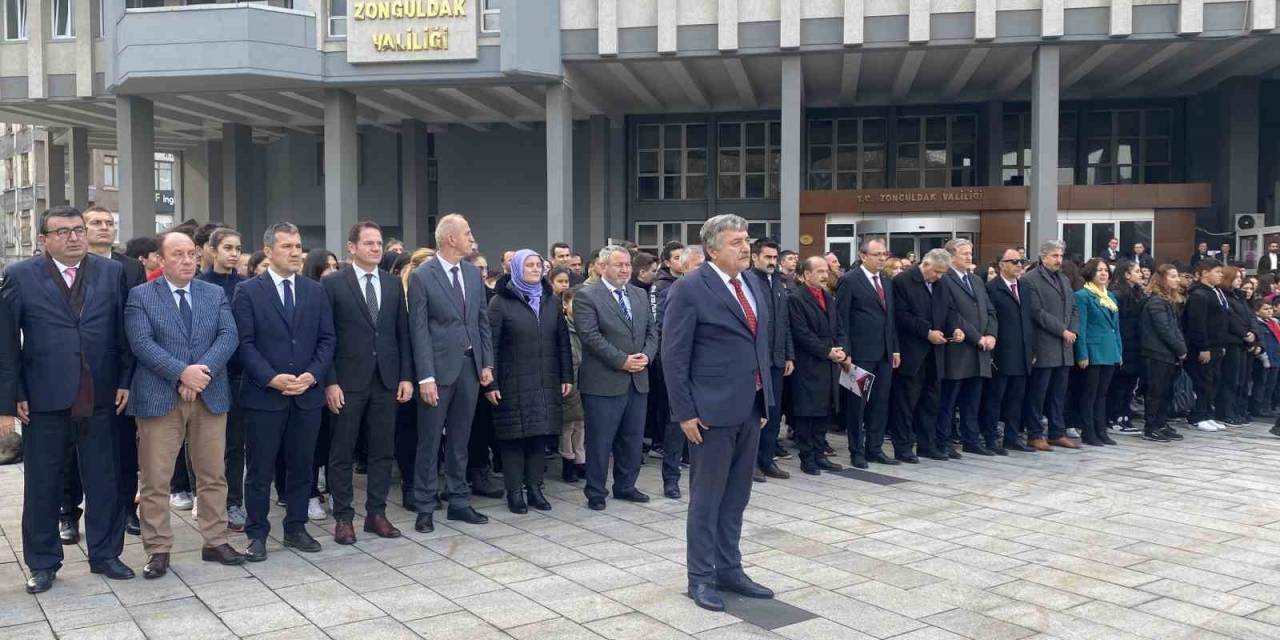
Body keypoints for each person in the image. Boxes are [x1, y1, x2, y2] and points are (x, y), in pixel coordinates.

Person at [3, 206, 135, 593]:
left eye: (78, 230)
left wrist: (126, 380)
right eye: (62, 232)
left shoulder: (111, 273)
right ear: (43, 240)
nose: (74, 237)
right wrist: (12, 398)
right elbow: (6, 344)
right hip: (44, 398)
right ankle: (43, 563)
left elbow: (122, 334)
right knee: (43, 483)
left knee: (104, 479)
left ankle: (106, 554)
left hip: (101, 394)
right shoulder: (19, 276)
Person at [662, 214, 775, 613]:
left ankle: (730, 569)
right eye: (736, 242)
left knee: (737, 497)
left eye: (746, 240)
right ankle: (701, 578)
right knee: (707, 500)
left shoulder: (754, 283)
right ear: (712, 249)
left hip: (749, 408)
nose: (745, 247)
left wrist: (765, 400)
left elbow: (760, 342)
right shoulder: (690, 288)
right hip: (709, 412)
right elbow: (674, 356)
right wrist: (684, 413)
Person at [125, 231, 245, 579]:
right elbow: (142, 343)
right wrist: (181, 374)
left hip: (209, 394)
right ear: (160, 260)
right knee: (155, 478)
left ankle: (215, 540)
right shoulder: (141, 296)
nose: (187, 260)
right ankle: (158, 548)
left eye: (191, 254)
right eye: (177, 255)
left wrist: (200, 374)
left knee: (212, 473)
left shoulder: (214, 293)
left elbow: (228, 335)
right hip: (160, 397)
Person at [234, 222, 336, 561]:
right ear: (268, 251)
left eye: (298, 246)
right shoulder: (248, 292)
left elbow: (326, 339)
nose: (296, 252)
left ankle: (296, 527)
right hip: (266, 396)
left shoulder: (314, 290)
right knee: (260, 468)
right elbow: (244, 344)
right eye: (287, 246)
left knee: (302, 466)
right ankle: (257, 533)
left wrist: (312, 375)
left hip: (306, 395)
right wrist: (271, 378)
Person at [321, 222, 412, 545]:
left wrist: (405, 376)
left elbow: (401, 333)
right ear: (352, 247)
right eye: (369, 243)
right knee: (342, 451)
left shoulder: (391, 284)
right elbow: (326, 337)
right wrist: (329, 382)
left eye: (379, 243)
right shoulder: (333, 284)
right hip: (347, 382)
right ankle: (344, 518)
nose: (376, 248)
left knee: (382, 451)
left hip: (386, 380)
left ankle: (377, 513)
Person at [408, 214, 494, 532]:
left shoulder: (472, 274)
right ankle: (425, 506)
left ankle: (458, 500)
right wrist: (425, 376)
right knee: (429, 442)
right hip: (438, 373)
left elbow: (480, 321)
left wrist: (486, 364)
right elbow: (418, 330)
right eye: (467, 232)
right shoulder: (423, 276)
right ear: (450, 239)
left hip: (470, 369)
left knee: (461, 439)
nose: (472, 237)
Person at [76, 206, 147, 542]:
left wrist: (128, 376)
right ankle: (68, 510)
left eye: (109, 223)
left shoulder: (131, 267)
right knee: (70, 448)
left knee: (123, 447)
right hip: (74, 372)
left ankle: (126, 508)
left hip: (118, 371)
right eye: (96, 223)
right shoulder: (70, 266)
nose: (104, 228)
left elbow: (134, 322)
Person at [485, 250, 573, 514]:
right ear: (516, 269)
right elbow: (492, 345)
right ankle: (514, 492)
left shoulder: (549, 300)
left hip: (545, 379)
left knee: (538, 437)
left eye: (539, 265)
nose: (536, 270)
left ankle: (535, 489)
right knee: (514, 439)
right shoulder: (500, 302)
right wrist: (491, 383)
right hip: (512, 382)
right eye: (530, 265)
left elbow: (563, 343)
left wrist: (566, 375)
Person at [573, 245, 659, 510]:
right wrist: (622, 361)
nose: (624, 270)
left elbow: (651, 330)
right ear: (602, 267)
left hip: (637, 379)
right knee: (600, 441)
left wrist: (646, 356)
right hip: (604, 382)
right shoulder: (587, 296)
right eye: (618, 265)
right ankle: (596, 491)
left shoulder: (638, 294)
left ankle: (626, 486)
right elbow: (590, 336)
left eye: (627, 265)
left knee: (632, 438)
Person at [196, 227, 248, 531]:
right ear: (212, 250)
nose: (234, 253)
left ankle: (233, 503)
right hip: (208, 373)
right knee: (205, 444)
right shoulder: (199, 285)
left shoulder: (246, 285)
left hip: (240, 373)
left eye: (238, 248)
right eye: (227, 247)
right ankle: (207, 499)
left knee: (235, 444)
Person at [835, 238, 900, 468]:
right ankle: (856, 450)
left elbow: (890, 318)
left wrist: (895, 349)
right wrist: (846, 352)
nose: (883, 258)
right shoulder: (850, 281)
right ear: (863, 256)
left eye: (885, 254)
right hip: (860, 353)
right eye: (877, 254)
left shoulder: (886, 281)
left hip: (883, 352)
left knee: (880, 403)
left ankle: (875, 448)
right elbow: (841, 319)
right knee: (857, 405)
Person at [890, 249, 959, 462]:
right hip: (913, 352)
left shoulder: (943, 283)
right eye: (937, 272)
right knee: (906, 402)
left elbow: (949, 310)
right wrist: (927, 332)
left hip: (936, 352)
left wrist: (954, 328)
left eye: (942, 273)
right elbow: (901, 316)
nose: (938, 277)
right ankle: (903, 447)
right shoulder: (903, 281)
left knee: (931, 401)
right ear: (926, 264)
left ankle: (927, 444)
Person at [936, 239, 999, 456]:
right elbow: (953, 314)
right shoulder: (944, 279)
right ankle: (943, 441)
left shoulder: (976, 280)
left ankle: (971, 439)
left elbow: (990, 310)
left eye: (970, 253)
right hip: (959, 349)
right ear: (951, 256)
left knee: (973, 398)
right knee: (949, 399)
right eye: (964, 253)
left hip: (980, 351)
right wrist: (977, 337)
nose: (969, 257)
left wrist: (991, 334)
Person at [1021, 240, 1082, 450]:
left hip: (1065, 346)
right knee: (1039, 393)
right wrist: (1062, 330)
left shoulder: (1063, 278)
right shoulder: (1030, 279)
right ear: (1043, 257)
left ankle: (1057, 431)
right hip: (1045, 344)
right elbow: (1037, 312)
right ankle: (1035, 433)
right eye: (1055, 256)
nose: (1059, 260)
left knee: (1059, 393)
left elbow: (1073, 307)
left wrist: (1073, 330)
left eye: (1061, 256)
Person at [788, 256, 846, 475]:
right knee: (807, 413)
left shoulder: (828, 297)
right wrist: (827, 351)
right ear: (805, 275)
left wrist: (842, 349)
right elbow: (802, 333)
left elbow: (839, 327)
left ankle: (820, 453)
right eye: (819, 271)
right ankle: (807, 457)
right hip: (809, 365)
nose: (825, 275)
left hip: (830, 365)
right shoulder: (796, 298)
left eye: (826, 271)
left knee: (824, 411)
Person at [747, 240, 794, 482]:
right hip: (756, 360)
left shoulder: (778, 282)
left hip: (776, 359)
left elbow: (784, 322)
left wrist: (788, 355)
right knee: (757, 413)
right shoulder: (747, 281)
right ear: (755, 257)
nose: (772, 262)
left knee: (774, 413)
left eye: (775, 258)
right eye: (767, 257)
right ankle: (751, 461)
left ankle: (767, 459)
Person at [982, 249, 1036, 453]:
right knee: (995, 398)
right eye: (1014, 261)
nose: (1019, 265)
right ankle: (990, 437)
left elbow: (1029, 320)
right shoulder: (991, 288)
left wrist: (1032, 349)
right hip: (1002, 353)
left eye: (1021, 261)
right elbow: (989, 319)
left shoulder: (1024, 287)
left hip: (1023, 352)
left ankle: (1012, 437)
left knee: (1017, 398)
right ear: (1001, 265)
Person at [394, 247, 435, 510]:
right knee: (408, 432)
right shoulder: (401, 295)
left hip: (434, 369)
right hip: (406, 372)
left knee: (430, 433)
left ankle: (428, 484)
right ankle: (410, 485)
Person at [1072, 259, 1122, 447]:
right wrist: (1082, 354)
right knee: (1090, 394)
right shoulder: (1083, 295)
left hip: (1109, 350)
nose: (1103, 273)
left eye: (1106, 270)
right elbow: (1081, 327)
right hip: (1093, 351)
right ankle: (1088, 431)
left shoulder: (1110, 297)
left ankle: (1101, 430)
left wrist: (1119, 351)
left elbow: (1115, 328)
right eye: (1099, 270)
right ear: (1090, 273)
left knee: (1103, 394)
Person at [1142, 265, 1188, 442]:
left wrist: (1180, 349)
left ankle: (1161, 422)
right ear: (1162, 279)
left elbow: (1175, 328)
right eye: (1173, 276)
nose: (1177, 280)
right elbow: (1165, 329)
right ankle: (1151, 426)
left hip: (1168, 354)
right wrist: (1180, 349)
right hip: (1156, 353)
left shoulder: (1169, 301)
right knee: (1156, 391)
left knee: (1167, 391)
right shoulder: (1156, 302)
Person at [1183, 258, 1229, 432]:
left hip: (1217, 344)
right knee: (1202, 381)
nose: (1220, 275)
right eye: (1217, 272)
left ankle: (1208, 413)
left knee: (1213, 381)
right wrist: (1203, 347)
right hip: (1203, 347)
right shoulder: (1198, 294)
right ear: (1204, 273)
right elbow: (1197, 324)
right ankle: (1197, 416)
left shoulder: (1215, 292)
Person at [1104, 261, 1145, 434]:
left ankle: (1124, 415)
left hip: (1135, 345)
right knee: (1118, 384)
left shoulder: (1137, 293)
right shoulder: (1117, 294)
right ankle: (1114, 417)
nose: (1141, 274)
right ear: (1127, 274)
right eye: (1136, 271)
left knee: (1129, 384)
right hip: (1123, 345)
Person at [1218, 266, 1256, 426]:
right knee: (1230, 379)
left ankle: (1237, 410)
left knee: (1241, 379)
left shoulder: (1240, 297)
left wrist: (1254, 334)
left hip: (1244, 343)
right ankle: (1225, 412)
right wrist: (1245, 334)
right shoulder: (1225, 297)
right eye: (1237, 277)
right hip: (1233, 341)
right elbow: (1231, 319)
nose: (1240, 280)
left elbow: (1251, 317)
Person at [560, 285, 587, 483]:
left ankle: (581, 459)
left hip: (587, 379)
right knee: (567, 424)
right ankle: (567, 460)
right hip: (570, 380)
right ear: (565, 304)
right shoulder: (562, 327)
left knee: (582, 424)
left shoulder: (588, 325)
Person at [1253, 299, 1280, 420]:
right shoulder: (1258, 324)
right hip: (1265, 358)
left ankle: (1267, 406)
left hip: (1276, 357)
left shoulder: (1274, 323)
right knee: (1261, 383)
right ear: (1257, 311)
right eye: (1265, 309)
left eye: (1270, 308)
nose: (1269, 311)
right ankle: (1258, 407)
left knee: (1271, 384)